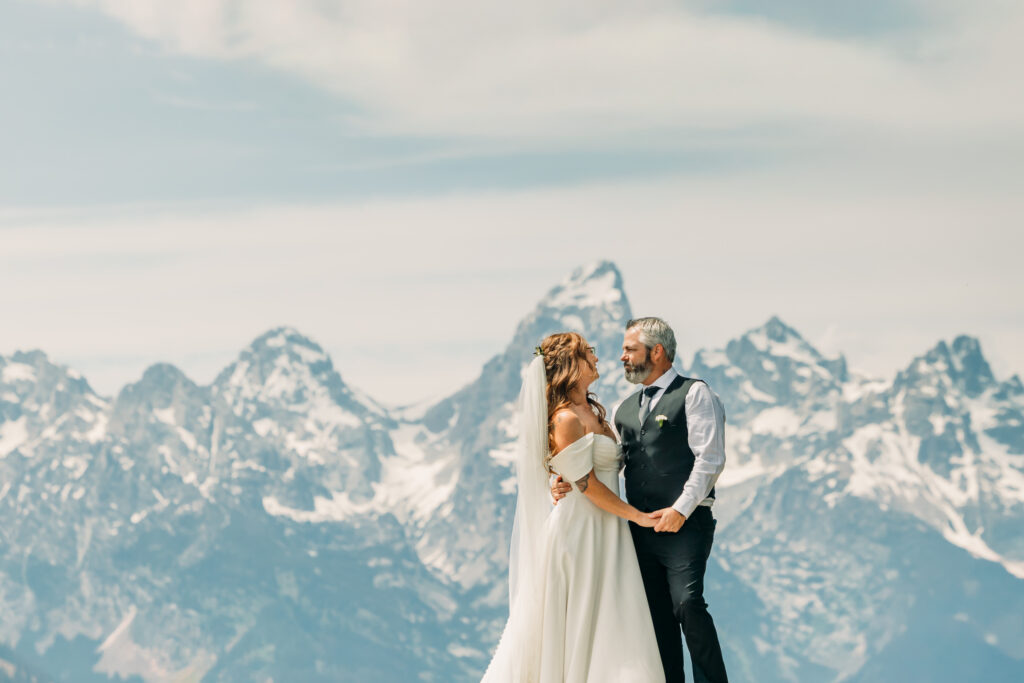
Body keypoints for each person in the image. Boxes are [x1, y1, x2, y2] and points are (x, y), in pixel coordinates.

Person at [552, 317, 729, 683]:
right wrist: (564, 478)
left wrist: (680, 511)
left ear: (657, 351)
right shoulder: (622, 409)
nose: (621, 358)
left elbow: (710, 459)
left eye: (630, 350)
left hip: (686, 524)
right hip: (637, 530)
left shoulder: (696, 394)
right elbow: (609, 465)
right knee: (654, 617)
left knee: (688, 603)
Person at [481, 332, 665, 683]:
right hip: (580, 535)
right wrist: (638, 517)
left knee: (613, 621)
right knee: (583, 624)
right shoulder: (565, 418)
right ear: (570, 364)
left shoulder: (594, 412)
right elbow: (588, 485)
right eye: (588, 352)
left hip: (607, 528)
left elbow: (595, 469)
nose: (596, 357)